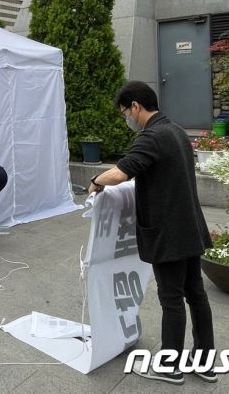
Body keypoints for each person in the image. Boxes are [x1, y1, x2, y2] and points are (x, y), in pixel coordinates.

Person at [87, 81, 216, 385]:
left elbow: (120, 172)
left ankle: (170, 366)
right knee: (195, 294)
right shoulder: (176, 130)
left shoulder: (152, 136)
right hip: (190, 228)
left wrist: (95, 181)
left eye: (124, 113)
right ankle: (205, 362)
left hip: (169, 233)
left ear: (135, 107)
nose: (126, 119)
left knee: (171, 298)